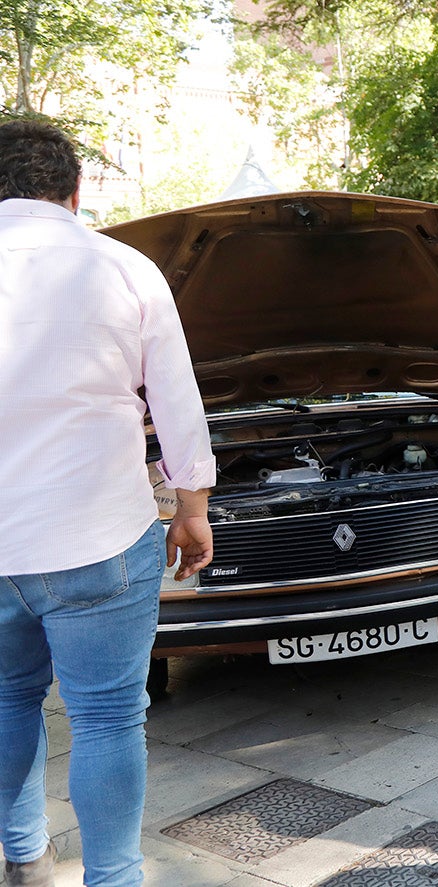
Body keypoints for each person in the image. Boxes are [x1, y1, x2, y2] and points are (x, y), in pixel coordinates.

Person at [0, 121, 215, 887]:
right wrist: (192, 506)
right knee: (106, 717)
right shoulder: (124, 267)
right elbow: (178, 401)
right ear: (75, 191)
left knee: (6, 698)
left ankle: (25, 856)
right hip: (99, 537)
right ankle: (114, 878)